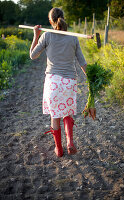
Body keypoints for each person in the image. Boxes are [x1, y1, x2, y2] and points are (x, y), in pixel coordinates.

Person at [30, 7, 96, 157]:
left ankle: (58, 149)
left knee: (55, 116)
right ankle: (70, 142)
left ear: (50, 21)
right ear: (63, 18)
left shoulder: (46, 36)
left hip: (53, 82)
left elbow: (33, 56)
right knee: (67, 114)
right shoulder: (73, 38)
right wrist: (91, 77)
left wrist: (36, 35)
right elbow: (82, 62)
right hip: (69, 81)